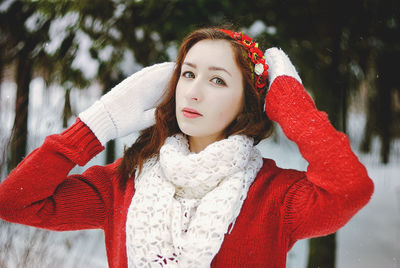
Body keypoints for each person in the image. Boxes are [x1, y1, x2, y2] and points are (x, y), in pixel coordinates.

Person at [0, 27, 373, 267]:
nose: (193, 91)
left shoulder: (275, 197)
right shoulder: (123, 183)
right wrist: (97, 125)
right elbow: (15, 202)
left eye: (217, 80)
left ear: (248, 102)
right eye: (188, 74)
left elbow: (350, 188)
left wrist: (290, 103)